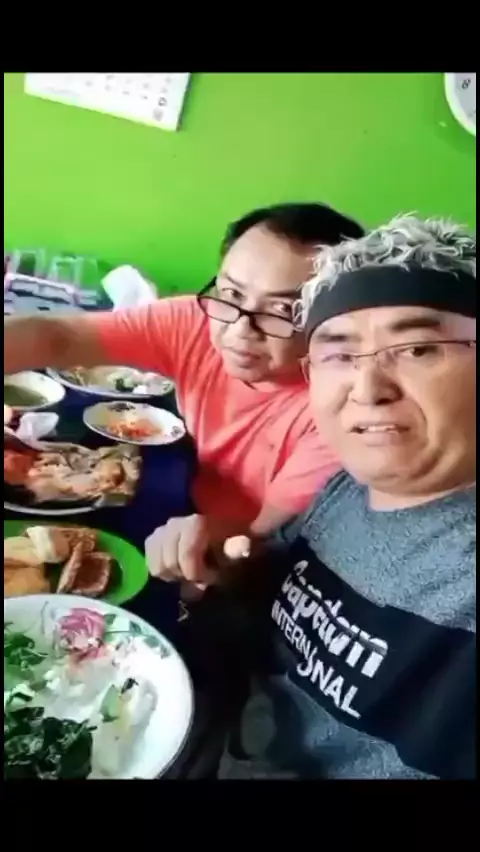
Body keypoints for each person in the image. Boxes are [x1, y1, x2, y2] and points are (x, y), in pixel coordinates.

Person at [206, 214, 475, 780]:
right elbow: (264, 586)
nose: (367, 389)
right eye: (339, 353)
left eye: (418, 348)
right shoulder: (346, 487)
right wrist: (219, 558)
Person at [4, 204, 364, 568]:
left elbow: (260, 543)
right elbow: (60, 337)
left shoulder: (344, 409)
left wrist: (209, 555)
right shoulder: (197, 321)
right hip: (189, 501)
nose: (240, 329)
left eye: (283, 310)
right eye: (233, 294)